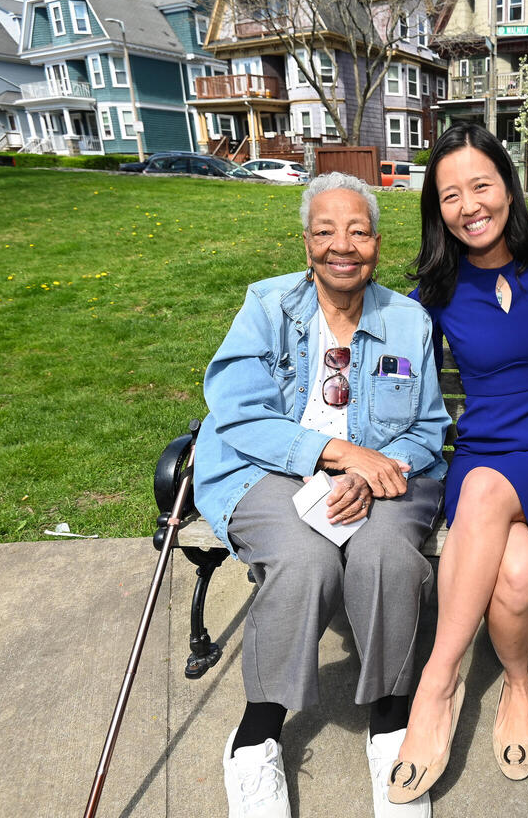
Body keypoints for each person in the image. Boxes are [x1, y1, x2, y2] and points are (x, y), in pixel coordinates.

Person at [194, 172, 451, 818]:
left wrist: (370, 471)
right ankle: (256, 738)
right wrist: (337, 455)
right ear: (306, 243)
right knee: (305, 560)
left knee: (387, 556)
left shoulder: (408, 321)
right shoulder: (267, 306)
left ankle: (391, 726)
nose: (343, 246)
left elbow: (428, 429)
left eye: (359, 232)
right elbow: (238, 411)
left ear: (377, 244)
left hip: (385, 473)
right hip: (270, 470)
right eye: (326, 231)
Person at [387, 122, 528, 803]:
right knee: (514, 575)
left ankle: (437, 684)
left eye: (481, 185)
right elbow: (385, 359)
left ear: (508, 187)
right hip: (483, 455)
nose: (469, 205)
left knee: (480, 491)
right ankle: (518, 682)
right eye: (450, 195)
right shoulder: (436, 292)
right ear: (437, 209)